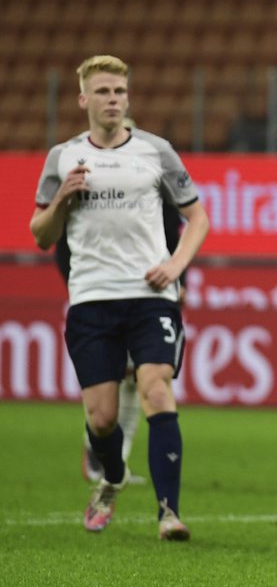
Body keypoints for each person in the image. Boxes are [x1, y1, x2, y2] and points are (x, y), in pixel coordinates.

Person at [31, 55, 210, 540]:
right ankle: (111, 478)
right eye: (104, 92)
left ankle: (169, 511)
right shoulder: (63, 157)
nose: (114, 99)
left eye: (120, 92)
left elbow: (198, 218)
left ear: (128, 98)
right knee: (103, 417)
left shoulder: (156, 152)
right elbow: (41, 234)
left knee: (156, 388)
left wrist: (175, 266)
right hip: (91, 299)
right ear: (84, 99)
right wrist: (64, 198)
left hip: (151, 296)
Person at [63, 182, 186, 486]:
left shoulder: (162, 200)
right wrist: (79, 283)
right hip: (102, 298)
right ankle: (98, 451)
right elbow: (62, 244)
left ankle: (116, 463)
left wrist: (178, 281)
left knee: (139, 382)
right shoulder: (98, 198)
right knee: (109, 386)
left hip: (151, 301)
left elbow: (176, 243)